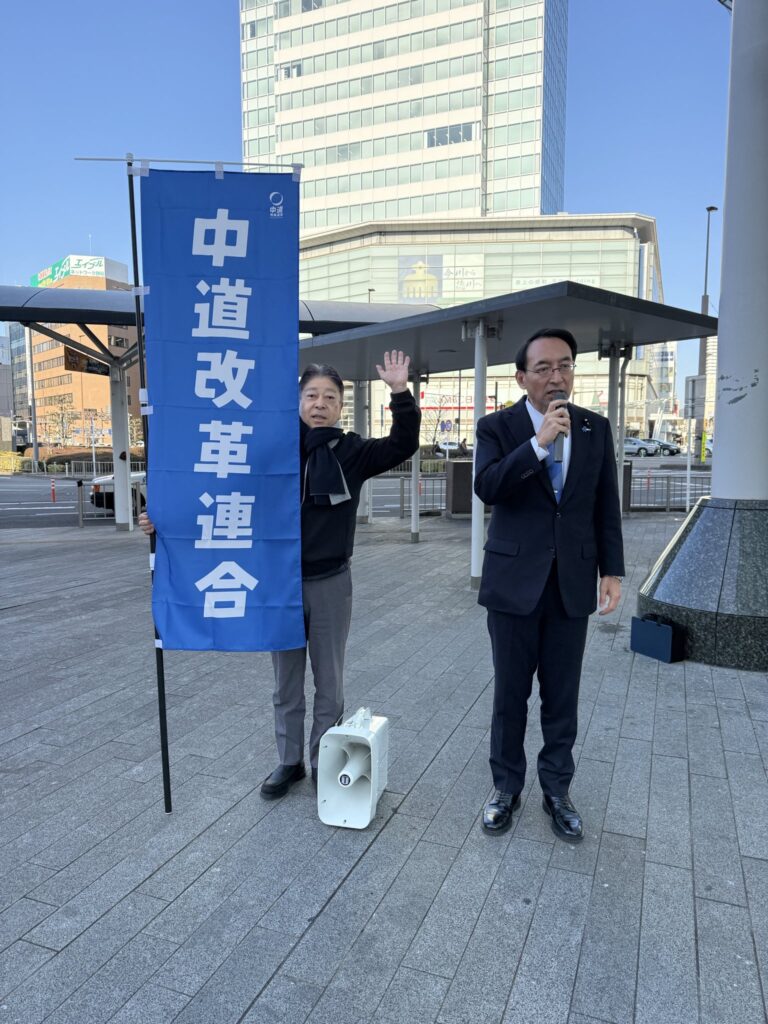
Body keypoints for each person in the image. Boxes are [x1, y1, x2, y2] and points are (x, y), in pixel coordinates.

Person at [140, 351, 420, 801]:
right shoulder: (272, 452)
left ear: (340, 405)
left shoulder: (352, 452)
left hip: (332, 583)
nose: (320, 404)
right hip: (280, 584)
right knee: (286, 682)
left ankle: (324, 760)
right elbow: (219, 491)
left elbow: (403, 444)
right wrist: (164, 520)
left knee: (330, 681)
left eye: (330, 397)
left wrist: (400, 392)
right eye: (311, 395)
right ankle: (289, 761)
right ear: (298, 401)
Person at [473, 328, 624, 841]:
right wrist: (538, 445)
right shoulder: (497, 427)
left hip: (571, 585)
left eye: (564, 365)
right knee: (510, 695)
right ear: (522, 378)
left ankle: (557, 789)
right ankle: (505, 787)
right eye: (543, 368)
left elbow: (605, 503)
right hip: (513, 584)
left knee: (562, 697)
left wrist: (612, 570)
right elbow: (488, 487)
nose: (556, 376)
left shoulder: (594, 428)